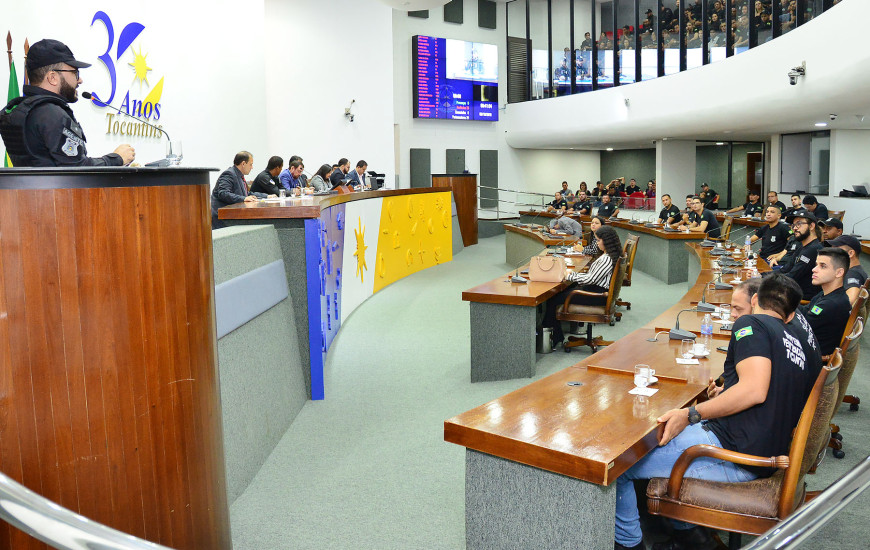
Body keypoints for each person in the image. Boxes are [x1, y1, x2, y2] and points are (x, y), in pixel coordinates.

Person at [615, 273, 821, 550]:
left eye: (738, 309)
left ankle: (630, 545)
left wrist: (690, 414)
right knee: (657, 437)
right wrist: (726, 396)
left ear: (756, 300)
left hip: (736, 453)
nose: (736, 315)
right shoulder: (792, 337)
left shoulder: (752, 323)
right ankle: (688, 535)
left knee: (620, 466)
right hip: (764, 445)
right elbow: (773, 391)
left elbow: (754, 391)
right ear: (790, 314)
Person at [0, 38, 135, 167]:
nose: (80, 80)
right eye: (75, 73)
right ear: (53, 77)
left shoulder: (19, 110)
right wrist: (117, 158)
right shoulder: (51, 114)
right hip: (58, 191)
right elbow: (78, 171)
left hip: (30, 191)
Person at [543, 225, 622, 346]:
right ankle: (556, 335)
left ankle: (555, 337)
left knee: (553, 299)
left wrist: (569, 275)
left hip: (596, 296)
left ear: (606, 241)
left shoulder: (606, 259)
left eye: (599, 240)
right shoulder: (612, 255)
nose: (597, 243)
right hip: (598, 293)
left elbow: (590, 279)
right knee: (566, 290)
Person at [799, 247, 851, 358]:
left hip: (809, 359)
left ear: (839, 272)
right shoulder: (827, 294)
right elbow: (805, 310)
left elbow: (800, 325)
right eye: (816, 264)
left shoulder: (831, 304)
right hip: (806, 348)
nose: (814, 269)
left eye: (822, 266)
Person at [211, 151, 267, 228]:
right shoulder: (229, 174)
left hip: (233, 215)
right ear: (243, 164)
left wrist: (267, 196)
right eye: (251, 164)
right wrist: (244, 198)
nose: (252, 167)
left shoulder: (238, 175)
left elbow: (246, 194)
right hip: (222, 218)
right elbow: (223, 193)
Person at [782, 210, 823, 299]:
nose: (795, 228)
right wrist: (761, 275)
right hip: (792, 291)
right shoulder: (802, 246)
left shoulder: (813, 249)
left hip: (801, 299)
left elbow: (792, 276)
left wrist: (764, 280)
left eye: (799, 224)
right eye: (793, 225)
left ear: (811, 226)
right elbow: (786, 269)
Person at [828, 235, 868, 305]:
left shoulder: (853, 274)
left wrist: (826, 306)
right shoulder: (854, 271)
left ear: (850, 253)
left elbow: (851, 300)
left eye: (836, 249)